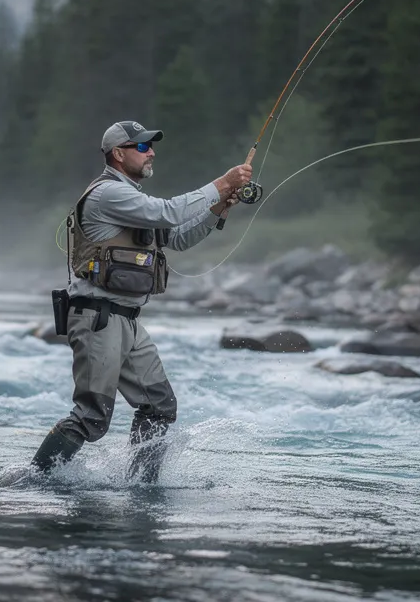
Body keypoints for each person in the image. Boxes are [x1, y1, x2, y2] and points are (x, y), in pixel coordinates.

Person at [24, 120, 253, 483]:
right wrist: (222, 183)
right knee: (91, 417)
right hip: (98, 319)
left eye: (151, 146)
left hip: (128, 321)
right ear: (118, 154)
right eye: (143, 147)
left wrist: (219, 208)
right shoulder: (107, 194)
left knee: (159, 407)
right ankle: (30, 481)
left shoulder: (132, 201)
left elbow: (178, 238)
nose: (152, 153)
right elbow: (170, 212)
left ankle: (140, 486)